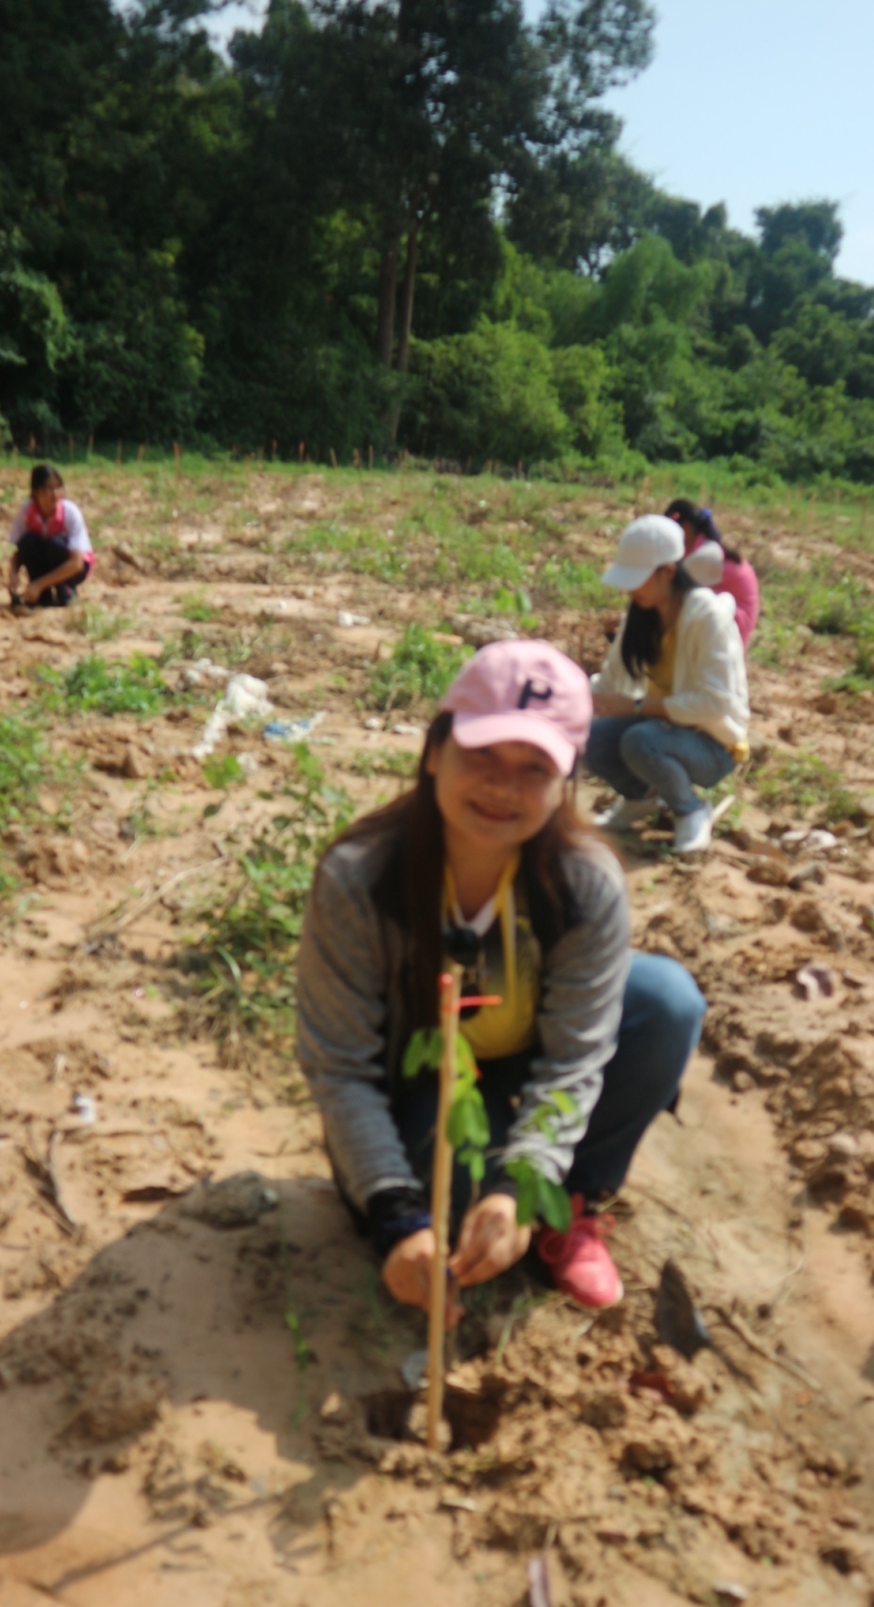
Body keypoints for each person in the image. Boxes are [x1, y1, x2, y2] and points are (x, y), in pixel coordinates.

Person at [297, 641, 706, 1317]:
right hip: (423, 1077)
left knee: (665, 1002)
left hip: (525, 1052)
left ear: (565, 780)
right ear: (435, 751)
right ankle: (462, 1182)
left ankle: (570, 1200)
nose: (502, 787)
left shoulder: (584, 883)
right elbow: (341, 1068)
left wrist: (522, 1184)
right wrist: (397, 1214)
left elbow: (576, 1057)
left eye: (533, 768)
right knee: (449, 1209)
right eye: (482, 755)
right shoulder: (360, 878)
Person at [586, 514, 749, 855]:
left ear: (669, 573)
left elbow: (715, 703)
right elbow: (610, 682)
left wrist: (637, 707)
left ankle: (690, 809)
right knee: (590, 739)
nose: (631, 590)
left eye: (639, 580)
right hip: (661, 728)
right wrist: (573, 699)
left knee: (640, 739)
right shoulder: (640, 618)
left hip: (713, 743)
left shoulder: (707, 618)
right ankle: (641, 799)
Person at [664, 497, 761, 648]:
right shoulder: (699, 547)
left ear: (686, 528)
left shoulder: (705, 556)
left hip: (732, 625)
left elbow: (669, 591)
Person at [7, 464, 93, 608]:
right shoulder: (26, 512)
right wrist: (13, 574)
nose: (55, 494)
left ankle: (66, 589)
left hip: (73, 566)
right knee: (28, 541)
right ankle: (42, 596)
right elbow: (17, 550)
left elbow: (76, 564)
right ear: (36, 492)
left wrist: (39, 584)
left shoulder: (70, 513)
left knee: (55, 543)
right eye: (49, 488)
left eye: (58, 488)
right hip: (46, 559)